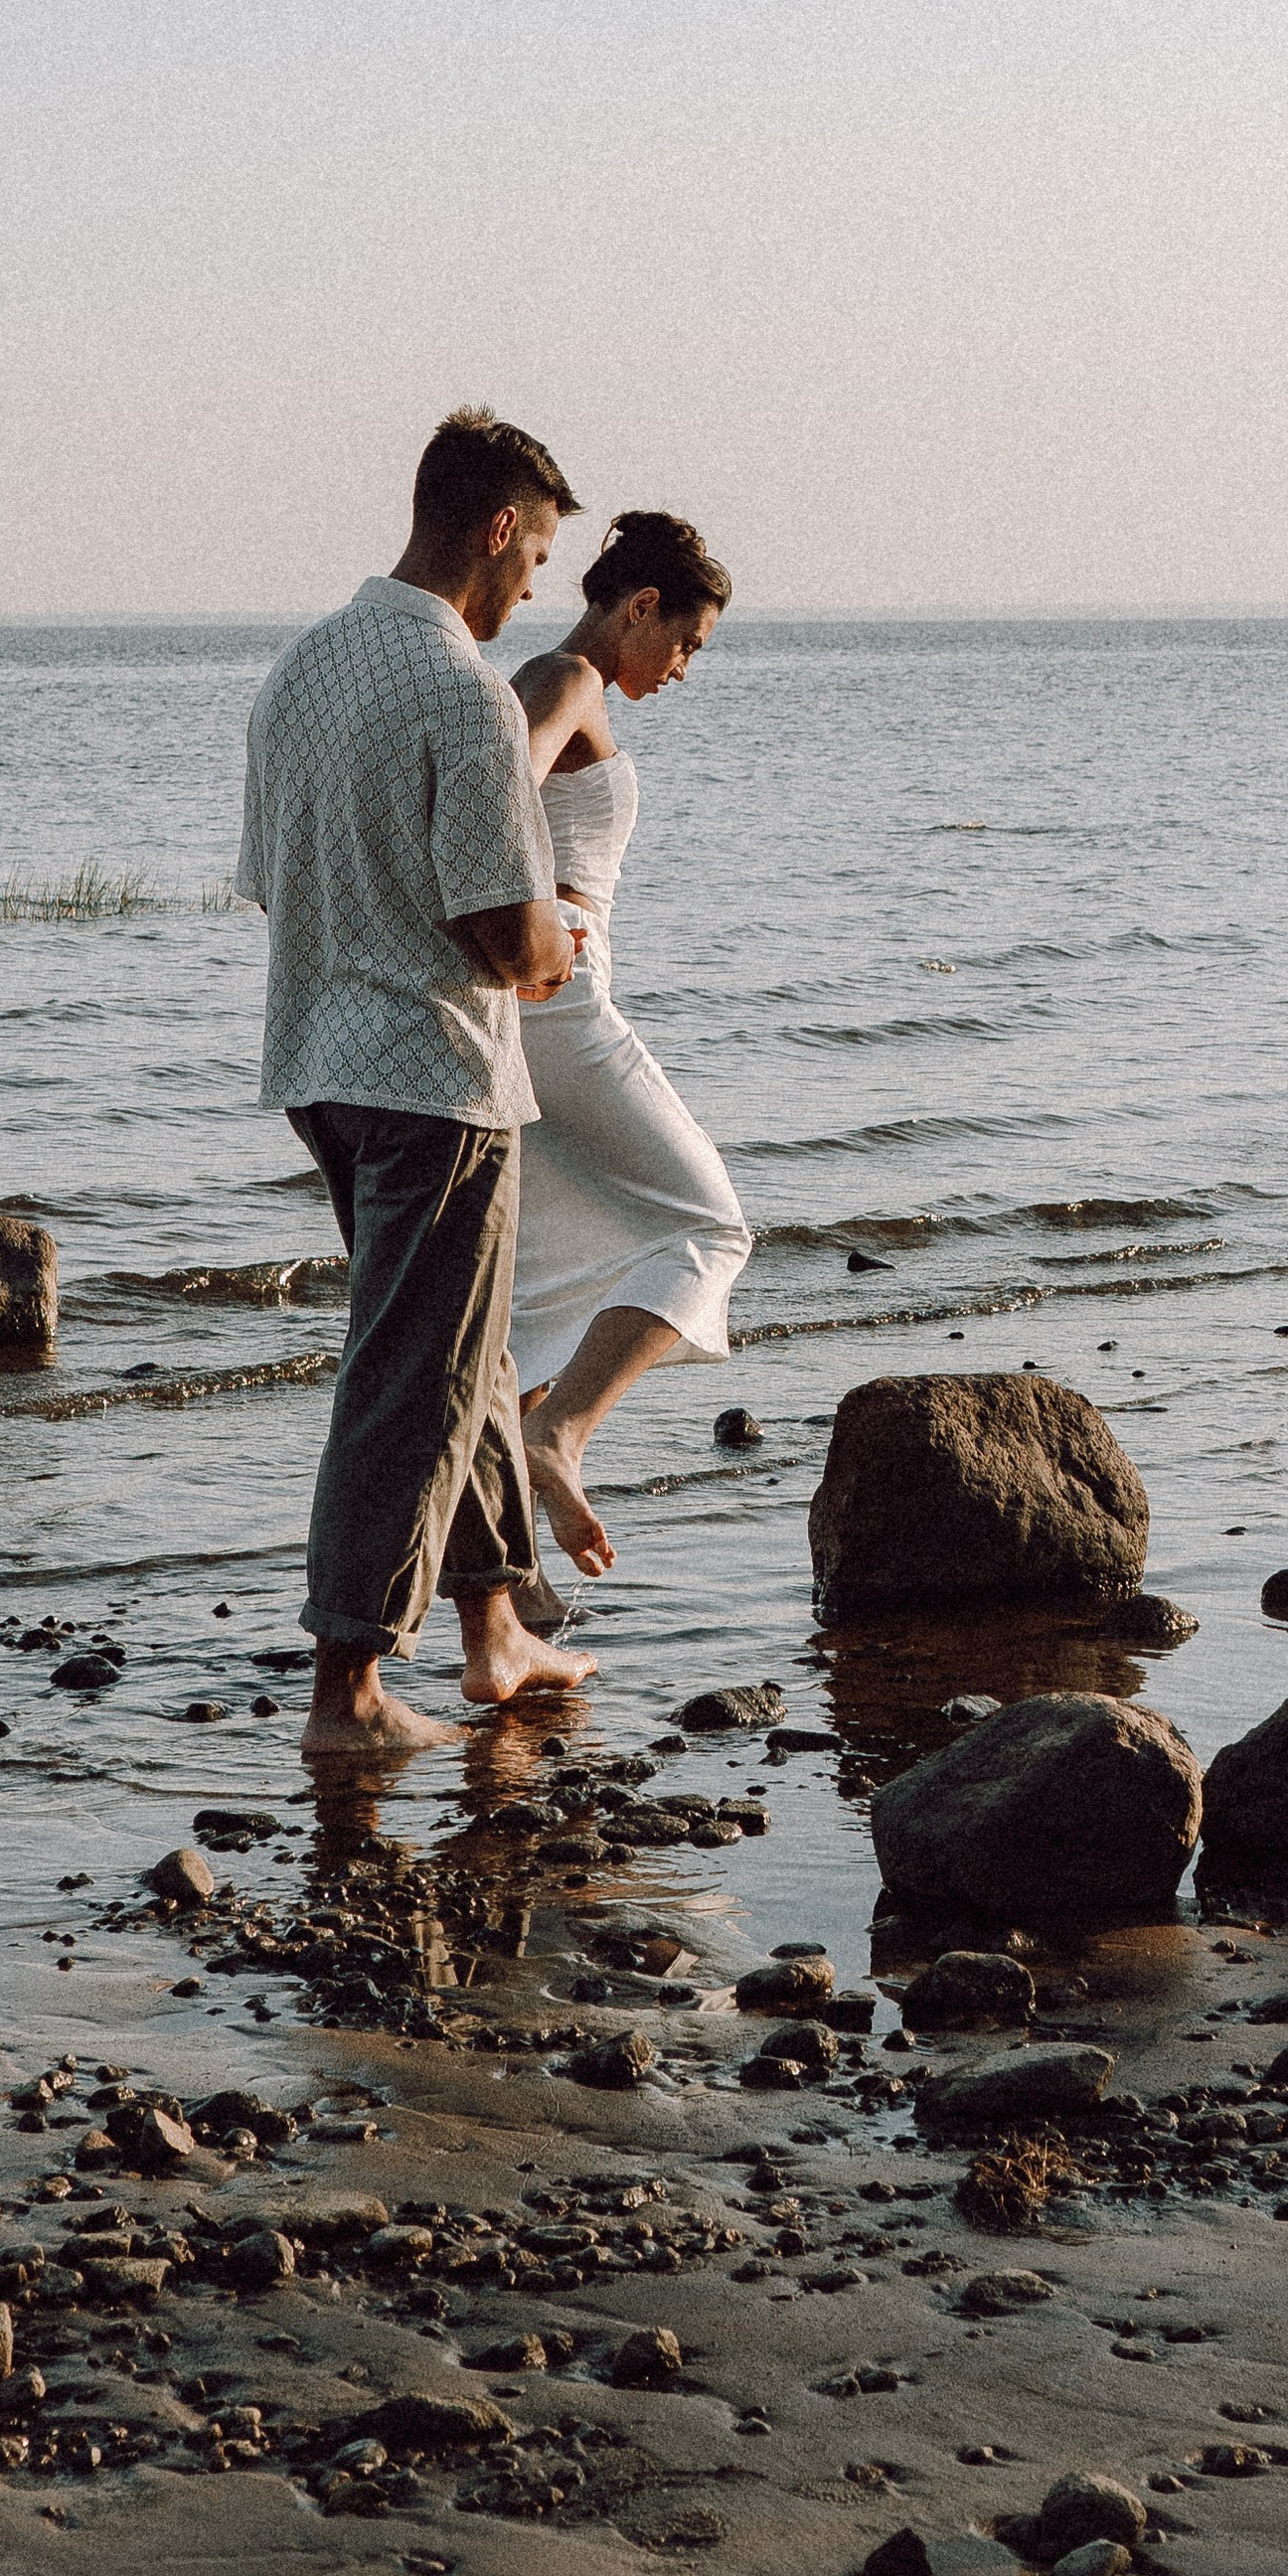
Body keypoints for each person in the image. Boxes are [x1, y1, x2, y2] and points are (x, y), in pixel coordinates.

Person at [234, 404, 598, 1758]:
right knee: (416, 1379)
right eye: (539, 555)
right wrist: (565, 931)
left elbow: (277, 883)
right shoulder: (461, 688)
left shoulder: (304, 670)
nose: (534, 588)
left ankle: (498, 1631)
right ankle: (351, 1691)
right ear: (498, 529)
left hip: (320, 1066)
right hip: (436, 1081)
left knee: (468, 1357)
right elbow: (505, 941)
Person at [505, 511, 752, 1578]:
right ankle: (558, 1435)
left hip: (518, 1003)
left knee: (533, 1289)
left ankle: (504, 1604)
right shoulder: (565, 680)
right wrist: (542, 914)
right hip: (554, 1000)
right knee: (709, 1226)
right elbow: (483, 798)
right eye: (687, 641)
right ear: (641, 605)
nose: (686, 669)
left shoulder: (556, 679)